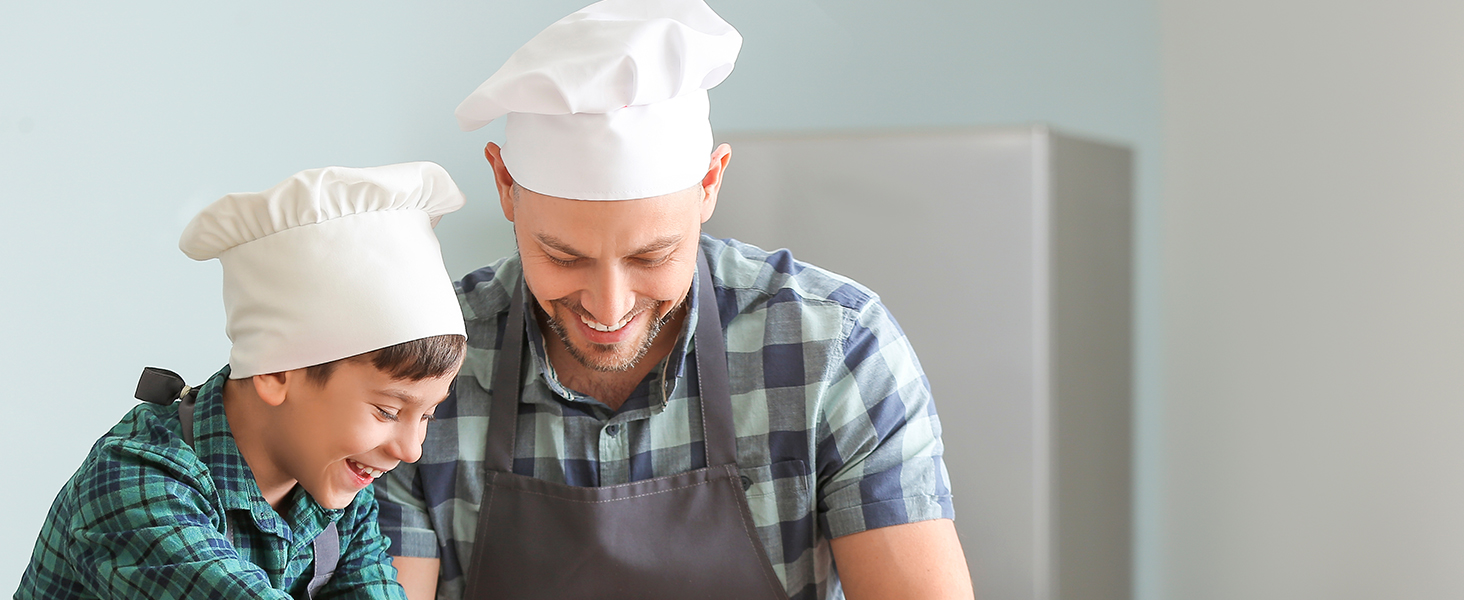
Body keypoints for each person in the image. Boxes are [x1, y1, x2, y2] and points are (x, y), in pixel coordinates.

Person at [375, 2, 974, 599]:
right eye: (563, 258)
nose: (608, 310)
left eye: (650, 258)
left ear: (710, 183)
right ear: (505, 185)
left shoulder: (836, 350)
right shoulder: (422, 367)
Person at [17, 162, 470, 600]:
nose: (411, 450)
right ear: (276, 371)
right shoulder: (137, 487)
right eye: (388, 411)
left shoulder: (339, 497)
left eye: (427, 414)